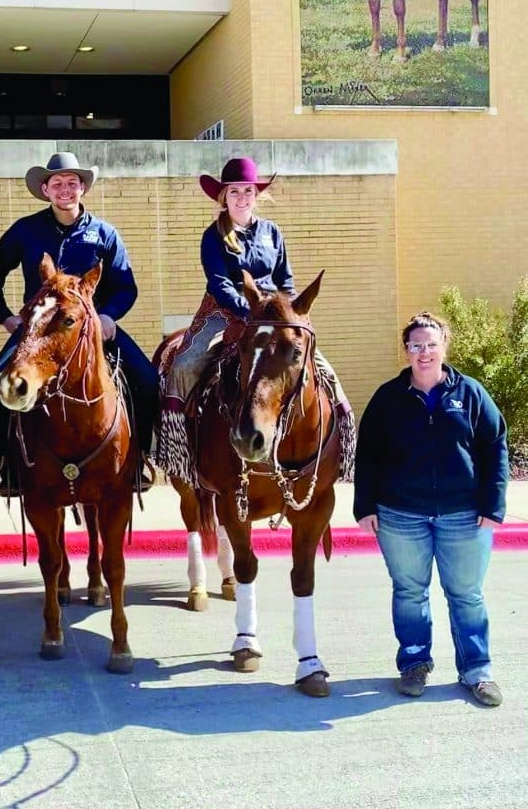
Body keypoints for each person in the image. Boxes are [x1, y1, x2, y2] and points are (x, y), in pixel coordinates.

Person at [157, 156, 353, 479]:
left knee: (319, 365)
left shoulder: (271, 232)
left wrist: (287, 311)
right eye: (234, 191)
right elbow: (219, 283)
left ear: (256, 194)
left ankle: (344, 431)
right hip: (225, 310)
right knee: (185, 363)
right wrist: (248, 311)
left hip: (274, 315)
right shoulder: (213, 235)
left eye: (248, 190)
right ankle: (176, 442)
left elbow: (285, 280)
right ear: (224, 196)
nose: (242, 197)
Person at [0, 151, 158, 496]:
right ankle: (9, 466)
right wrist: (6, 317)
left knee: (148, 382)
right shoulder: (25, 231)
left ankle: (138, 460)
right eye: (57, 183)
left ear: (83, 188)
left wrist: (108, 316)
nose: (65, 189)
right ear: (45, 189)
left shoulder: (104, 233)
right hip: (39, 331)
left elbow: (126, 286)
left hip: (92, 328)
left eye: (72, 183)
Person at [354, 311, 508, 707]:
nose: (424, 352)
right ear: (406, 350)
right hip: (400, 514)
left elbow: (495, 447)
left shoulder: (470, 393)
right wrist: (365, 505)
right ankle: (414, 664)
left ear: (444, 347)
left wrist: (493, 504)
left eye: (431, 344)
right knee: (410, 592)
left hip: (464, 514)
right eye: (416, 345)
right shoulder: (388, 398)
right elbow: (367, 454)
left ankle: (476, 671)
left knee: (466, 594)